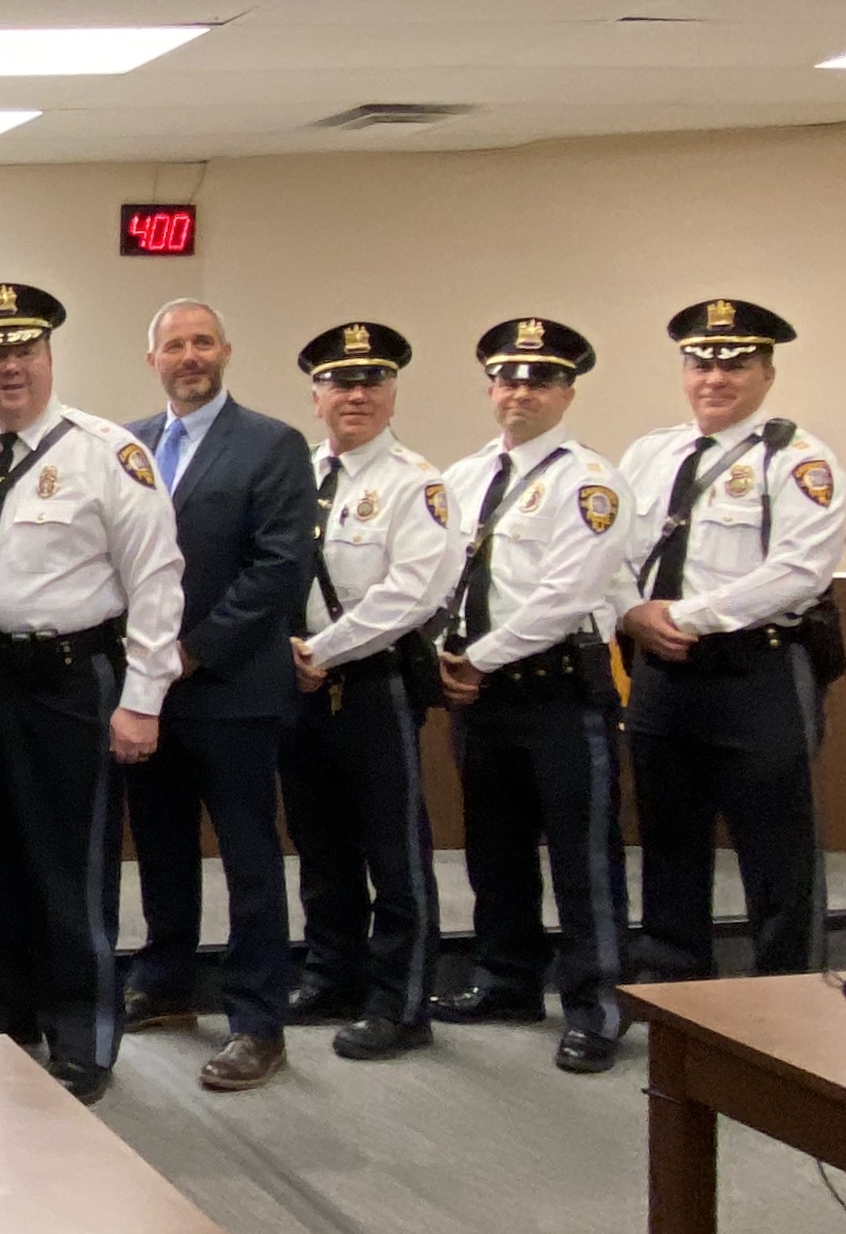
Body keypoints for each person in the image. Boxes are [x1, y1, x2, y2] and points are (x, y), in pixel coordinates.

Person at [0, 283, 183, 1105]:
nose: (10, 368)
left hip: (66, 681)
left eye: (24, 351)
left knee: (69, 868)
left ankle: (81, 1034)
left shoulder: (106, 455)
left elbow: (157, 580)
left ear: (48, 357)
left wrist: (143, 699)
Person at [120, 300, 316, 1093]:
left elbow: (277, 569)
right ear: (153, 360)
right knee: (160, 845)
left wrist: (192, 650)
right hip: (149, 691)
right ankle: (166, 984)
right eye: (174, 345)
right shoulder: (125, 445)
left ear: (225, 352)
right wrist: (144, 663)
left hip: (233, 689)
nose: (189, 356)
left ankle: (256, 1021)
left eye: (202, 342)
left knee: (247, 858)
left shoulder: (271, 444)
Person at [430, 316, 634, 1073]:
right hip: (480, 696)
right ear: (491, 389)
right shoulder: (464, 476)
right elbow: (438, 574)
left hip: (557, 693)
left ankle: (596, 1007)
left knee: (583, 860)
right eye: (508, 379)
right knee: (495, 849)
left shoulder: (589, 481)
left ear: (567, 392)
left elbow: (564, 595)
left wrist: (475, 659)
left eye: (540, 380)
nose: (521, 392)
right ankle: (506, 982)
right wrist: (440, 651)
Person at [620, 299, 841, 981]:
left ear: (766, 373)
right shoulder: (651, 454)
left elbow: (799, 572)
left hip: (757, 673)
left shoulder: (798, 459)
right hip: (662, 674)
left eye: (735, 365)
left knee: (776, 851)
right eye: (700, 364)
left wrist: (686, 617)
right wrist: (630, 612)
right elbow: (614, 554)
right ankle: (674, 985)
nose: (714, 378)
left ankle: (789, 994)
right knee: (668, 841)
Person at [280, 323, 460, 1061]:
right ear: (315, 394)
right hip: (296, 684)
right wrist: (284, 652)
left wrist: (320, 651)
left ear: (391, 393)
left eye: (371, 381)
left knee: (394, 852)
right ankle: (333, 975)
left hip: (371, 683)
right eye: (339, 382)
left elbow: (412, 592)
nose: (355, 394)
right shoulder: (295, 474)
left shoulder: (415, 483)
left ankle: (401, 1002)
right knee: (318, 843)